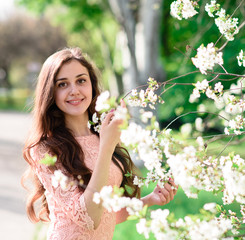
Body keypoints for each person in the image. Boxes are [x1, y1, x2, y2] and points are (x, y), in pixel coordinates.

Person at [22, 47, 177, 240]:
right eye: (63, 84)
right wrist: (107, 146)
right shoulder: (46, 149)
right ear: (51, 92)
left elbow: (105, 214)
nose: (74, 91)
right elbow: (89, 218)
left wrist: (149, 200)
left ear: (92, 85)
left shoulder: (101, 134)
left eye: (81, 80)